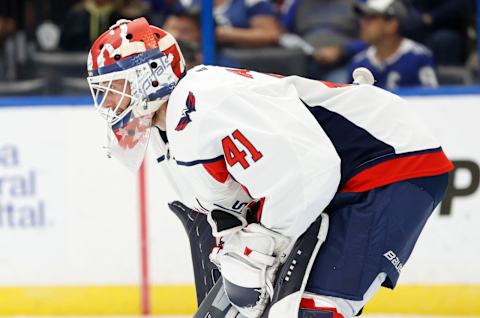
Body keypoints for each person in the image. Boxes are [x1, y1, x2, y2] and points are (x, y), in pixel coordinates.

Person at [86, 18, 453, 318]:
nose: (108, 102)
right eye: (102, 91)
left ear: (152, 73)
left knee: (309, 311)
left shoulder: (205, 98)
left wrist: (260, 247)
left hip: (391, 160)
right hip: (350, 176)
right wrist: (242, 253)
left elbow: (310, 170)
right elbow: (229, 217)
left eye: (115, 87)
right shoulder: (172, 136)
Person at [348, 0, 438, 90]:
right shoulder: (358, 62)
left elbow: (430, 98)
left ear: (392, 25)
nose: (363, 24)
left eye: (371, 18)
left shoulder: (419, 57)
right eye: (363, 18)